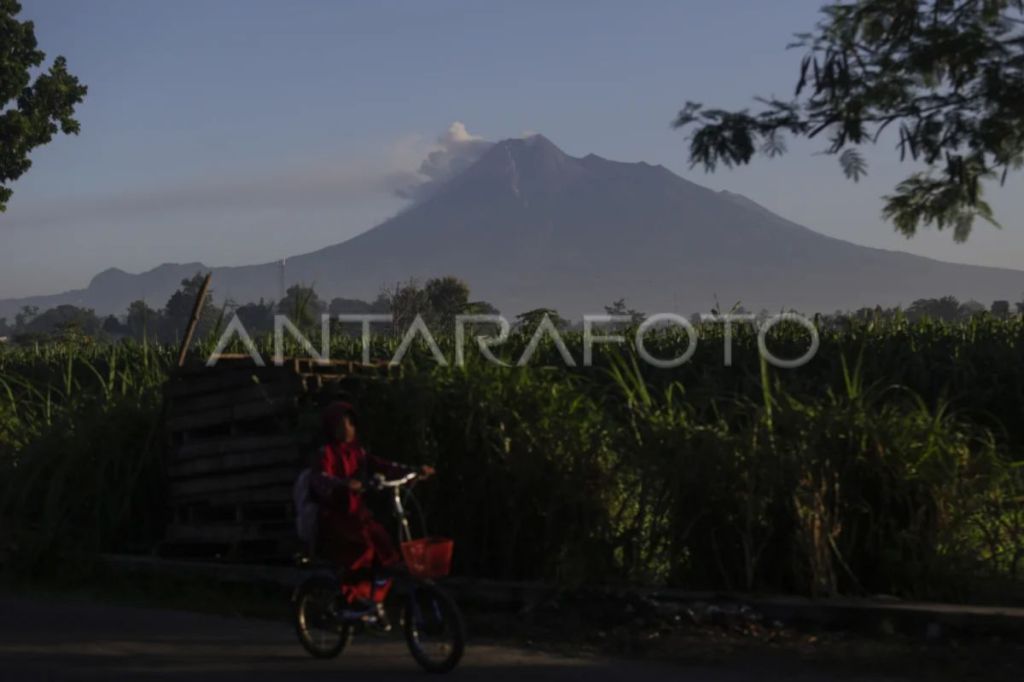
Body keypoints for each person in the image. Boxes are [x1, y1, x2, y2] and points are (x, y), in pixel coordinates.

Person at [309, 400, 435, 616]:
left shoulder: (358, 453)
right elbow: (319, 479)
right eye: (343, 424)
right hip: (337, 519)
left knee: (387, 552)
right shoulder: (326, 453)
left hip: (359, 517)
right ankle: (352, 598)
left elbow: (383, 466)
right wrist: (342, 483)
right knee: (363, 551)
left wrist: (412, 471)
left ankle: (373, 599)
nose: (349, 428)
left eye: (351, 423)